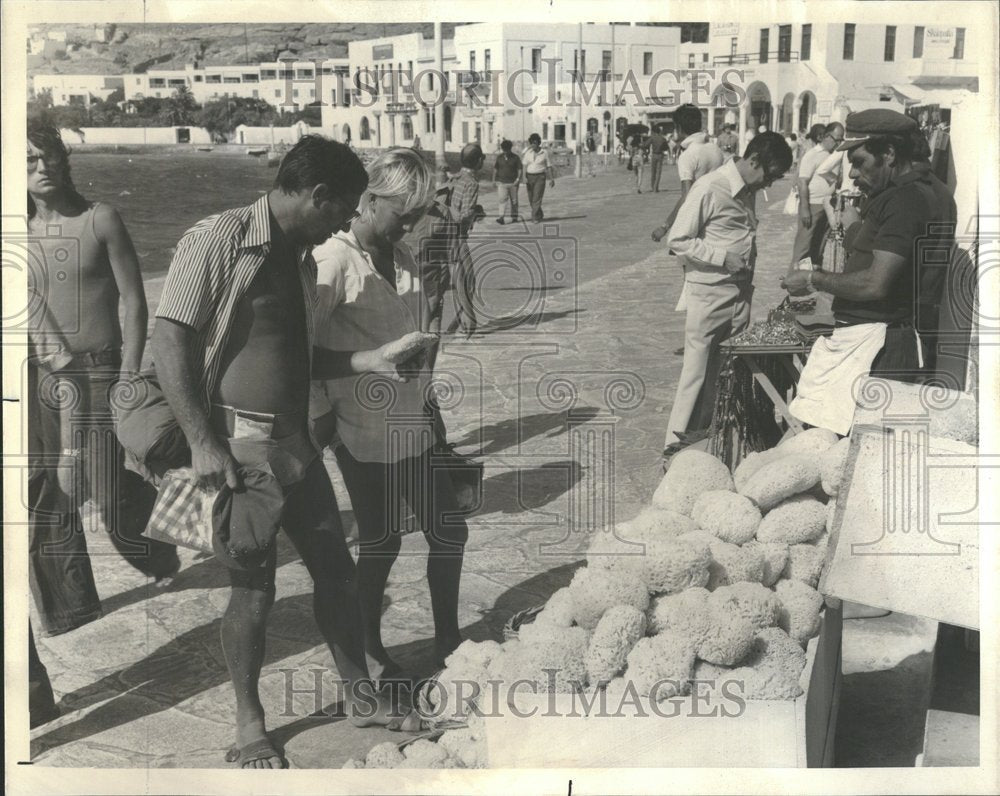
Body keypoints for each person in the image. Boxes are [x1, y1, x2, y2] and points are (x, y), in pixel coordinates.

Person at [151, 135, 423, 768]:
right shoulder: (216, 240)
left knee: (336, 570)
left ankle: (359, 694)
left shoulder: (300, 256)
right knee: (253, 591)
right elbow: (170, 342)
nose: (345, 222)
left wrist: (372, 358)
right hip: (240, 449)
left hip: (294, 444)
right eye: (340, 209)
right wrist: (201, 441)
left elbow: (294, 355)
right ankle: (250, 725)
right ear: (317, 194)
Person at [311, 149, 469, 679]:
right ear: (369, 198)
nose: (411, 224)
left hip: (412, 418)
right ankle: (369, 648)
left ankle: (447, 637)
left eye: (419, 214)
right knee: (381, 540)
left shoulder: (399, 256)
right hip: (359, 428)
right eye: (404, 213)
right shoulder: (333, 261)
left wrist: (423, 373)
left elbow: (406, 334)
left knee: (448, 530)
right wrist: (367, 366)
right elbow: (297, 355)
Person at [25, 120, 180, 641]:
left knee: (106, 490)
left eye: (48, 158)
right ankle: (70, 606)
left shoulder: (99, 220)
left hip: (97, 372)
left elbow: (136, 302)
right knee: (50, 491)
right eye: (28, 161)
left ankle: (155, 546)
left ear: (64, 162)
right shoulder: (15, 229)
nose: (41, 168)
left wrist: (129, 375)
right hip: (37, 378)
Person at [781, 110, 957, 435]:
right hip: (886, 340)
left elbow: (877, 283)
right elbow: (889, 252)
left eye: (860, 161)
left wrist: (812, 277)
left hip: (883, 346)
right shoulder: (927, 191)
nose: (852, 172)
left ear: (889, 153)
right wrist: (855, 230)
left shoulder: (905, 199)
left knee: (862, 451)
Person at [663, 132, 793, 447]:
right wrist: (722, 257)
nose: (769, 185)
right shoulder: (710, 186)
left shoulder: (747, 189)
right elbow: (677, 240)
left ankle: (710, 439)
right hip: (710, 293)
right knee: (696, 374)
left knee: (725, 373)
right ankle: (675, 447)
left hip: (739, 293)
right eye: (770, 176)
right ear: (753, 160)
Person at [650, 104, 725, 243]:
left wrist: (665, 227)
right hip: (718, 217)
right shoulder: (715, 149)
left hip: (697, 222)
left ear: (678, 128)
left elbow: (687, 196)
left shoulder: (688, 155)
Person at [789, 121, 845, 271]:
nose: (838, 143)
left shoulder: (833, 155)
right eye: (836, 139)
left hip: (828, 205)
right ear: (826, 136)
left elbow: (830, 177)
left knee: (818, 245)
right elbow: (802, 182)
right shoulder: (812, 155)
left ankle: (809, 280)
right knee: (803, 247)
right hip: (813, 205)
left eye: (841, 140)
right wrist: (805, 208)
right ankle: (794, 281)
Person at [445, 143, 486, 337]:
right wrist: (476, 212)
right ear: (478, 161)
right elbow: (463, 214)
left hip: (446, 233)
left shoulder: (456, 177)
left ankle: (462, 322)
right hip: (458, 235)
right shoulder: (471, 182)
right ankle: (467, 323)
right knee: (468, 281)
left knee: (459, 279)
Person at [522, 133, 556, 222]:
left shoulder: (544, 153)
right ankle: (539, 213)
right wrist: (524, 177)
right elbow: (524, 166)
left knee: (537, 198)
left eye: (535, 143)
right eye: (532, 143)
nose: (533, 145)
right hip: (529, 177)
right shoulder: (528, 153)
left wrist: (552, 179)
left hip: (540, 177)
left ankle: (534, 217)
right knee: (531, 198)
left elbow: (549, 166)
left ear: (538, 143)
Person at [492, 138, 522, 224]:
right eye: (504, 150)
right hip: (501, 183)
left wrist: (518, 179)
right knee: (502, 200)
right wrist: (493, 180)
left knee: (514, 201)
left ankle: (514, 217)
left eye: (507, 150)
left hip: (513, 183)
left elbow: (519, 169)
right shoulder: (499, 157)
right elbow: (495, 169)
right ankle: (501, 217)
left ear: (510, 148)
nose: (505, 151)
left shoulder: (516, 158)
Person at [646, 124, 669, 192]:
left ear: (653, 131)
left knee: (653, 172)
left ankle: (653, 187)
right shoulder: (662, 138)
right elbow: (666, 148)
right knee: (658, 172)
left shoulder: (652, 137)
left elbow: (646, 144)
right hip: (660, 155)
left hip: (654, 155)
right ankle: (656, 187)